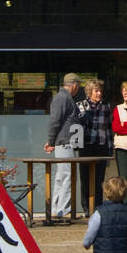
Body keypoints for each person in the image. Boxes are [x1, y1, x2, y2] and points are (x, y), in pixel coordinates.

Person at [44, 72, 83, 224]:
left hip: (63, 142)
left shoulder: (64, 98)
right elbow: (55, 121)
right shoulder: (62, 98)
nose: (78, 89)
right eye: (78, 86)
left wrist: (52, 140)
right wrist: (51, 141)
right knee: (67, 176)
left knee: (61, 177)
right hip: (64, 143)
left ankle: (56, 209)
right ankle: (63, 211)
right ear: (73, 85)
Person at [77, 79, 113, 215]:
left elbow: (109, 128)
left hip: (101, 145)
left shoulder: (106, 106)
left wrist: (110, 147)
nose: (99, 93)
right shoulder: (80, 105)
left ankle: (98, 206)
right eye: (96, 91)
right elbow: (76, 128)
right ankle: (86, 207)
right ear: (89, 92)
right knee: (85, 177)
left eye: (100, 91)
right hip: (86, 145)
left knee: (99, 178)